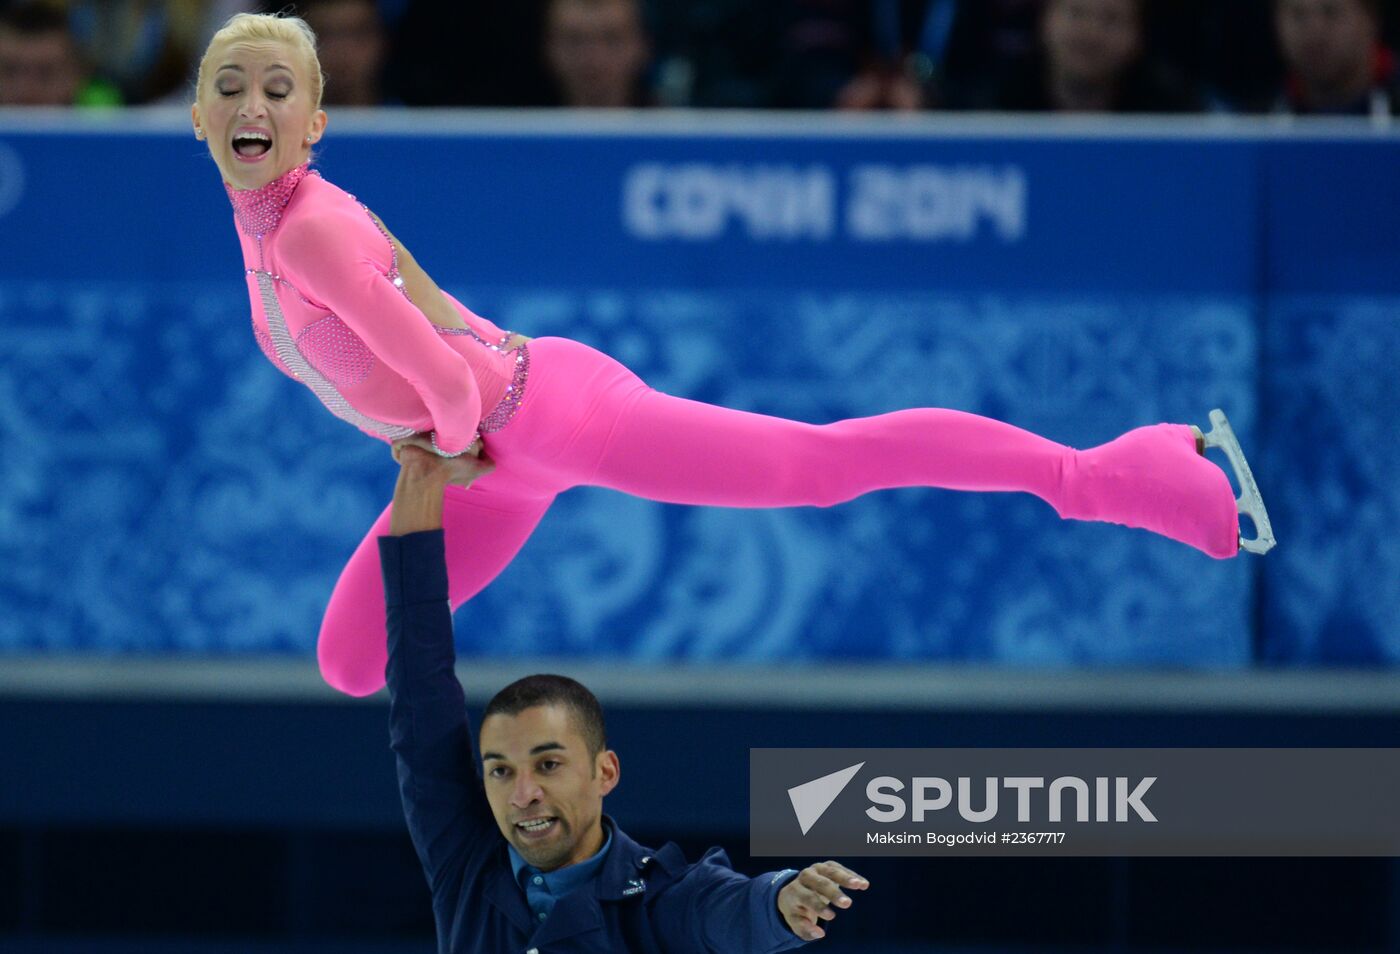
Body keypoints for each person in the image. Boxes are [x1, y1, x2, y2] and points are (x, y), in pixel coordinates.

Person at [191, 12, 1270, 698]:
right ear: (198, 117)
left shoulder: (308, 231)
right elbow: (422, 294)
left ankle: (1100, 472)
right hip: (496, 456)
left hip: (541, 418)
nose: (252, 104)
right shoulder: (281, 229)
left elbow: (430, 374)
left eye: (276, 90)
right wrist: (458, 388)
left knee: (817, 462)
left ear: (315, 123)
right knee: (346, 663)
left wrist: (449, 434)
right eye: (231, 86)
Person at [379, 442, 869, 950]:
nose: (523, 794)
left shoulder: (666, 898)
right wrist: (422, 473)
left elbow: (732, 911)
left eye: (548, 765)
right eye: (501, 771)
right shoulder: (466, 859)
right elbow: (420, 685)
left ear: (604, 772)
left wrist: (779, 901)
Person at [993, 0, 1201, 112]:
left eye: (1111, 19)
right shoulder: (991, 108)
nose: (1090, 33)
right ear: (1044, 21)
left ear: (1139, 36)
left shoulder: (1174, 116)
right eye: (1076, 13)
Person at [1273, 0, 1399, 116]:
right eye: (1298, 15)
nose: (1315, 32)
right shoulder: (1260, 113)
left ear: (1370, 19)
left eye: (1331, 12)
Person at [543, 0, 655, 108]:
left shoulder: (670, 120)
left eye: (612, 39)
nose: (592, 58)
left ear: (641, 46)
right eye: (575, 40)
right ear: (550, 47)